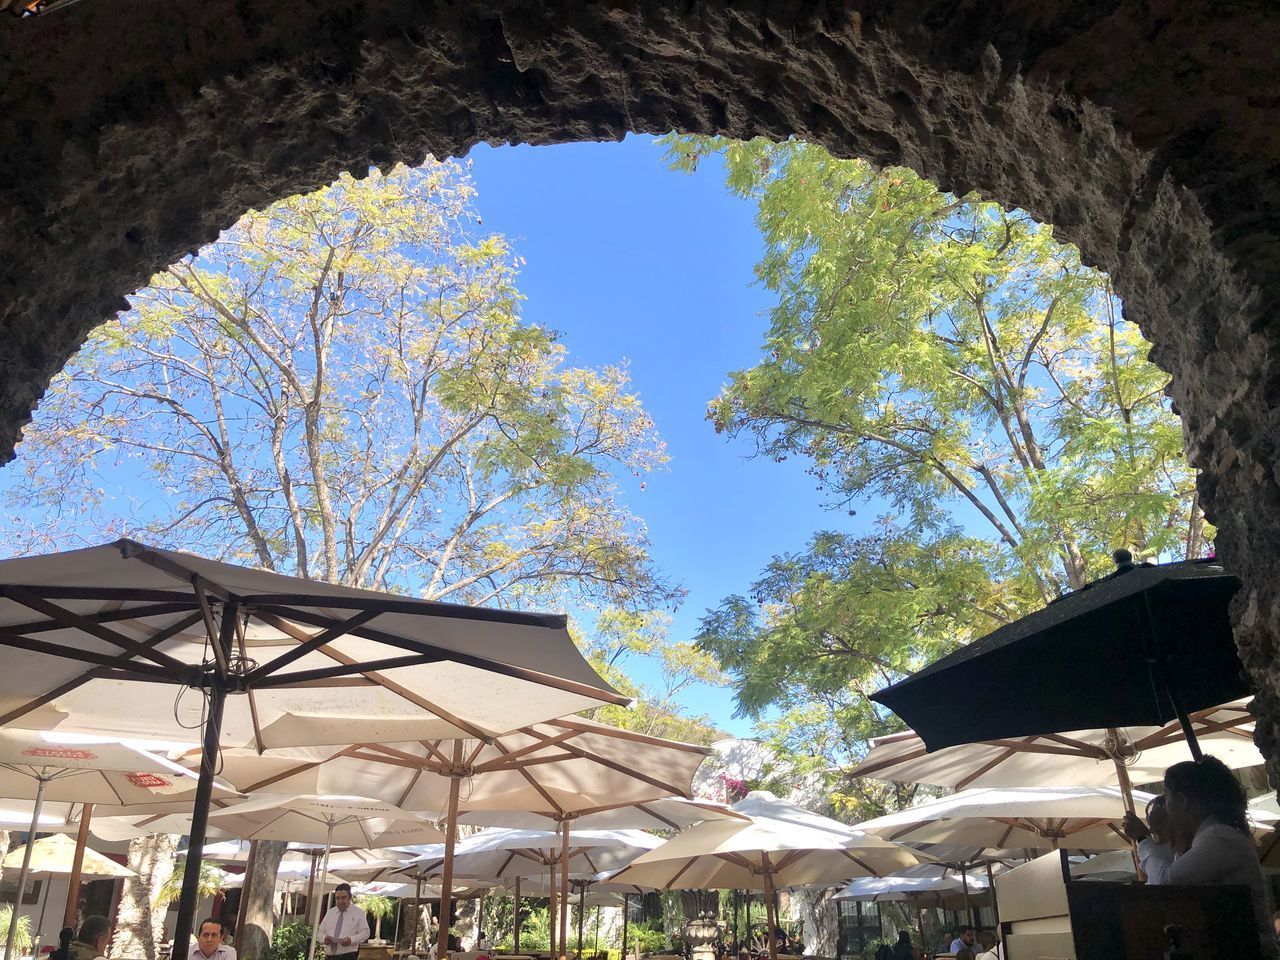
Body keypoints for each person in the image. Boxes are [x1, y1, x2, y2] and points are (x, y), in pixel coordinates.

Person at [1121, 755, 1277, 957]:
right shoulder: (1213, 835)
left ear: (1183, 801)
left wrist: (1142, 839)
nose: (1166, 807)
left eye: (1168, 797)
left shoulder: (1219, 837)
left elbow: (1168, 883)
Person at [316, 883, 370, 960]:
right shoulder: (330, 913)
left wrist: (351, 940)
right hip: (329, 957)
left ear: (350, 897)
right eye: (337, 898)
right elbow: (319, 933)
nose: (340, 901)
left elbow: (365, 933)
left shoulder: (358, 913)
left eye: (344, 897)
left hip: (348, 956)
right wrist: (324, 938)